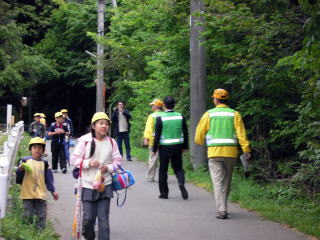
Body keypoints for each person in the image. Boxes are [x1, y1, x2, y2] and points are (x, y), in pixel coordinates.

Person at [195, 88, 251, 219]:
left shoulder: (208, 114)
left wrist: (200, 141)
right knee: (227, 181)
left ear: (215, 99)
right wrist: (246, 150)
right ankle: (223, 206)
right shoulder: (234, 114)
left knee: (217, 181)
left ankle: (222, 209)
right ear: (226, 99)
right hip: (231, 153)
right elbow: (241, 135)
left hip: (214, 153)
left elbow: (198, 136)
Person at [71, 112, 122, 240]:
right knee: (88, 218)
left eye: (106, 124)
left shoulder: (111, 142)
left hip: (106, 184)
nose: (104, 126)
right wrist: (88, 163)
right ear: (93, 126)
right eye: (101, 123)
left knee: (103, 218)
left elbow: (118, 160)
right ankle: (88, 237)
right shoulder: (85, 141)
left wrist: (109, 168)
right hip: (88, 184)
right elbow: (73, 159)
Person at [16, 137, 59, 230]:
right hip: (27, 193)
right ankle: (27, 231)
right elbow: (18, 178)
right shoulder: (24, 161)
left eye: (40, 148)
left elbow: (49, 179)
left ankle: (40, 233)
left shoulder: (45, 163)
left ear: (43, 150)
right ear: (30, 149)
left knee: (42, 214)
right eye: (34, 147)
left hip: (40, 193)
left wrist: (53, 191)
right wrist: (20, 170)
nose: (37, 150)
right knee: (27, 214)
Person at [152, 96, 189, 200]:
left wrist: (154, 150)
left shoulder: (160, 118)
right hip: (177, 147)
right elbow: (185, 133)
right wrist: (185, 147)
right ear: (174, 105)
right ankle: (181, 182)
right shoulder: (180, 117)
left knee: (163, 171)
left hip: (164, 148)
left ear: (164, 105)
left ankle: (164, 194)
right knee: (178, 168)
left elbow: (157, 136)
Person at [143, 99, 164, 182]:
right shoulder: (165, 115)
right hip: (163, 141)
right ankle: (163, 176)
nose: (152, 106)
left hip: (153, 141)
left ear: (156, 106)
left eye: (153, 105)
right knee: (163, 160)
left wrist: (146, 138)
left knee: (153, 159)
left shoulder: (152, 116)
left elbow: (149, 128)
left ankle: (150, 177)